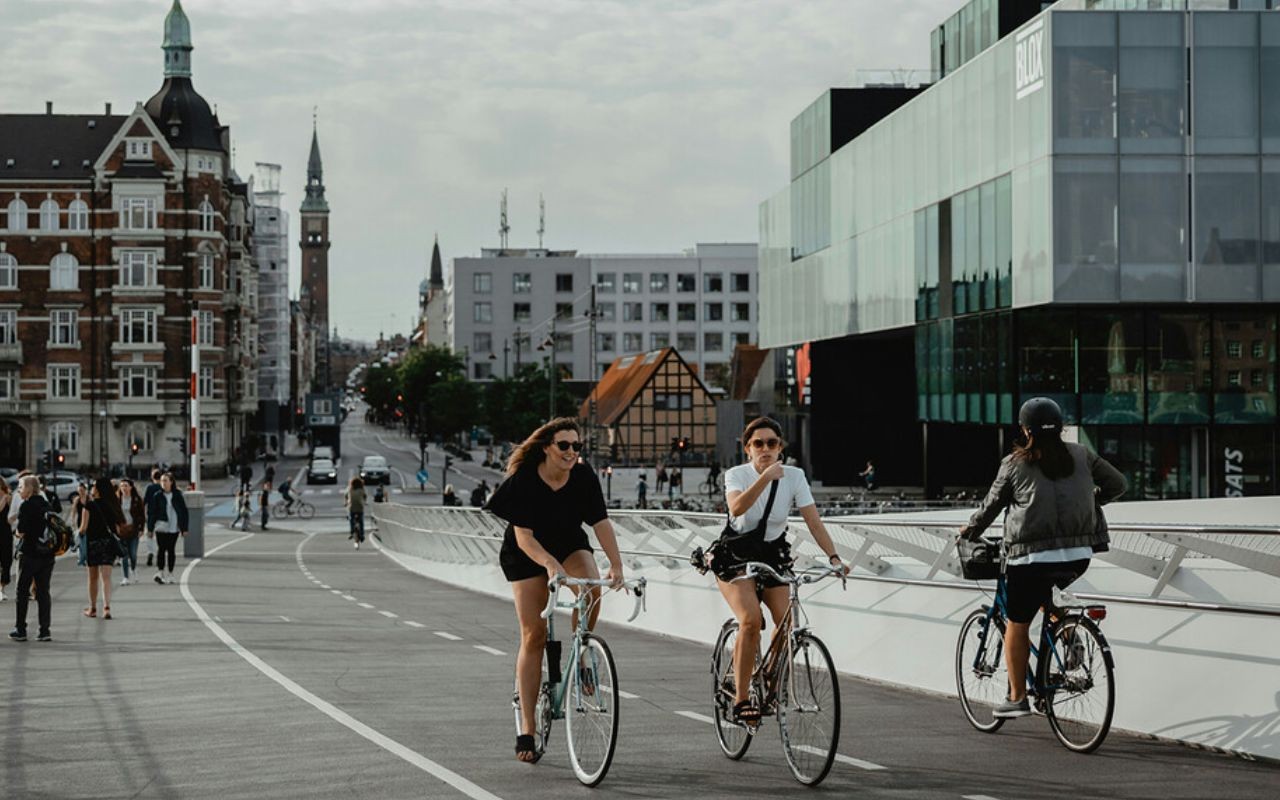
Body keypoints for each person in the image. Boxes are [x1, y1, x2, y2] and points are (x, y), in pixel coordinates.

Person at [959, 397, 1127, 719]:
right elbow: (1118, 484)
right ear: (1060, 427)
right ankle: (1066, 630)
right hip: (1078, 557)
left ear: (1025, 430)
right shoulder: (1081, 454)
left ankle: (1017, 696)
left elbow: (990, 507)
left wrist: (969, 530)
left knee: (1016, 624)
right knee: (1047, 595)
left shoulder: (1014, 463)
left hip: (1030, 559)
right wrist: (1093, 502)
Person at [484, 417, 625, 764]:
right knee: (533, 636)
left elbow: (600, 522)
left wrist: (617, 564)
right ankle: (528, 729)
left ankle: (583, 652)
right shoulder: (525, 481)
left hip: (569, 545)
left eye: (577, 446)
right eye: (564, 445)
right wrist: (549, 565)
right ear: (547, 447)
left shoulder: (583, 475)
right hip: (527, 555)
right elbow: (524, 537)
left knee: (590, 589)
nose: (571, 452)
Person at [715, 417, 846, 725]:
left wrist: (834, 558)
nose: (765, 449)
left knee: (786, 623)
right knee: (750, 621)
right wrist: (765, 478)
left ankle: (770, 676)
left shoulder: (795, 477)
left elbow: (813, 522)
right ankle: (741, 698)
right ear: (747, 449)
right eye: (758, 444)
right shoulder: (737, 474)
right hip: (736, 557)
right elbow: (736, 509)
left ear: (780, 448)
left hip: (773, 555)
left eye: (772, 443)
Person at [10, 475, 53, 641]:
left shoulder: (26, 506)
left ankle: (20, 629)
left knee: (22, 591)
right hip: (47, 555)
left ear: (29, 489)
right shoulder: (46, 505)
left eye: (21, 486)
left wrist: (17, 533)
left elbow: (21, 531)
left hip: (29, 554)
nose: (19, 489)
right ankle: (44, 630)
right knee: (43, 592)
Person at [81, 478, 123, 620]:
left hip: (93, 544)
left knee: (92, 578)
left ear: (97, 489)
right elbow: (117, 528)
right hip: (108, 544)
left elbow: (83, 529)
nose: (92, 488)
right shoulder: (112, 504)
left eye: (93, 486)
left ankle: (92, 608)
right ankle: (106, 608)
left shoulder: (90, 506)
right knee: (106, 578)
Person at [146, 472, 189, 585]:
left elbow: (184, 512)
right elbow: (152, 513)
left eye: (166, 480)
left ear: (171, 482)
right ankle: (160, 572)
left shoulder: (177, 495)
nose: (163, 483)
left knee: (171, 550)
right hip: (161, 525)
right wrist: (150, 528)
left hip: (174, 526)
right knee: (161, 549)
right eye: (162, 481)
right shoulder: (157, 495)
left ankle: (171, 573)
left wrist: (184, 528)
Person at [116, 479, 145, 586]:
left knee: (133, 554)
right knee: (124, 554)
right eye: (122, 486)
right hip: (122, 531)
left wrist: (141, 529)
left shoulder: (137, 500)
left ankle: (133, 568)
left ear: (131, 487)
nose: (124, 488)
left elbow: (142, 516)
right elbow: (113, 516)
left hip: (133, 530)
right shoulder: (117, 500)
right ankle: (125, 577)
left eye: (126, 486)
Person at [143, 468, 163, 567]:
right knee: (160, 535)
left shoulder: (149, 488)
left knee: (150, 534)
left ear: (152, 477)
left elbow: (145, 502)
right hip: (161, 515)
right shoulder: (163, 488)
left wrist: (144, 514)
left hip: (151, 514)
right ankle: (160, 552)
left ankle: (150, 552)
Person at [70, 483, 90, 568]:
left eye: (82, 490)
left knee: (87, 542)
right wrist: (73, 521)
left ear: (85, 490)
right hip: (80, 522)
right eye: (79, 491)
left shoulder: (89, 499)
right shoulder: (77, 500)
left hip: (89, 522)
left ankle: (84, 559)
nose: (81, 492)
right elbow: (73, 511)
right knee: (82, 542)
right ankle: (82, 560)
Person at [345, 476, 366, 548]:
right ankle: (362, 534)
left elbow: (346, 496)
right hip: (360, 508)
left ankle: (351, 532)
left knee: (351, 520)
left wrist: (346, 502)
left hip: (352, 508)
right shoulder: (361, 489)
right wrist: (364, 502)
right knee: (361, 521)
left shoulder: (350, 489)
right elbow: (365, 496)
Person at [0, 480, 12, 602]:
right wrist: (4, 499)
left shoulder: (9, 497)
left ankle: (2, 588)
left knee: (6, 560)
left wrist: (8, 498)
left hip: (5, 532)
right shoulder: (5, 497)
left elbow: (14, 513)